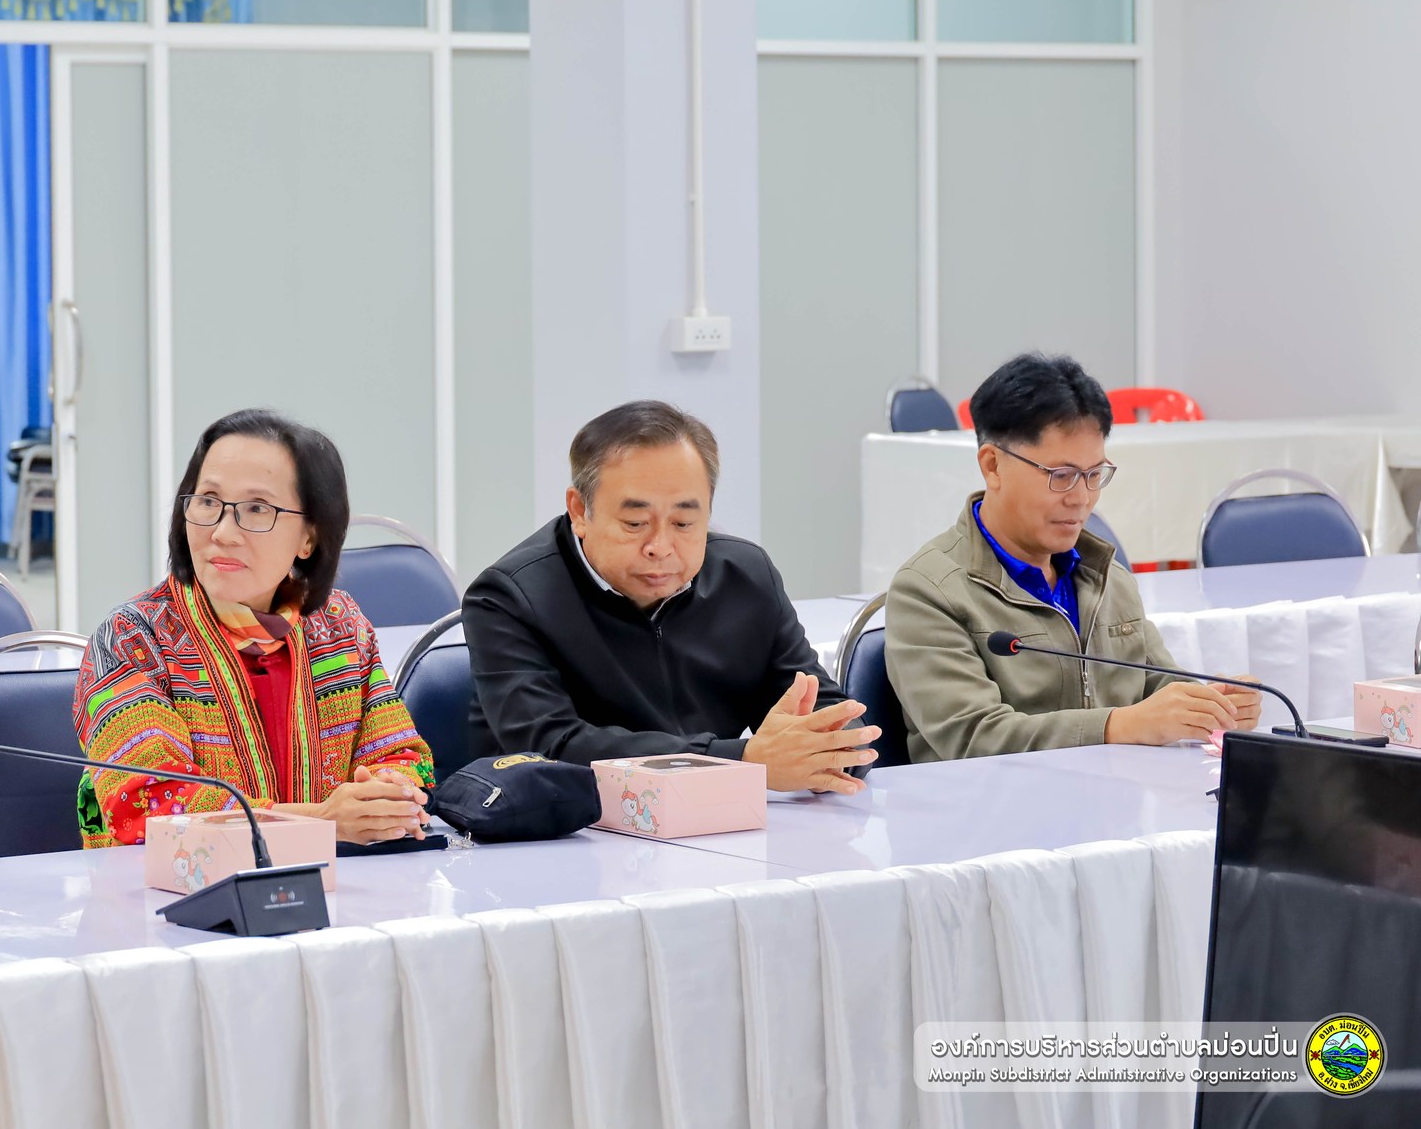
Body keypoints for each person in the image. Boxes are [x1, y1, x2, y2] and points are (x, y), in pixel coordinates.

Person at [466, 400, 878, 793]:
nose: (660, 547)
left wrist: (832, 750)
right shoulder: (510, 598)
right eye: (635, 523)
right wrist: (742, 760)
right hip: (570, 826)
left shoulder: (745, 576)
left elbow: (817, 706)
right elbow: (550, 748)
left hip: (727, 823)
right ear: (579, 511)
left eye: (683, 522)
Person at [72, 408, 436, 847]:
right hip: (167, 889)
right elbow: (148, 807)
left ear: (309, 538)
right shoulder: (132, 638)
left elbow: (401, 754)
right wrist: (322, 822)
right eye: (208, 501)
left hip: (340, 884)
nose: (223, 532)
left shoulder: (340, 625)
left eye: (257, 508)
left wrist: (387, 793)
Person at [886, 352, 1261, 761]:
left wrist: (1208, 706)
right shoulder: (928, 591)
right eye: (1061, 476)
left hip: (1111, 796)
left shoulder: (1104, 574)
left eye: (1094, 475)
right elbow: (974, 736)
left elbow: (1155, 686)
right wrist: (1119, 725)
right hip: (989, 800)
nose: (1081, 498)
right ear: (993, 466)